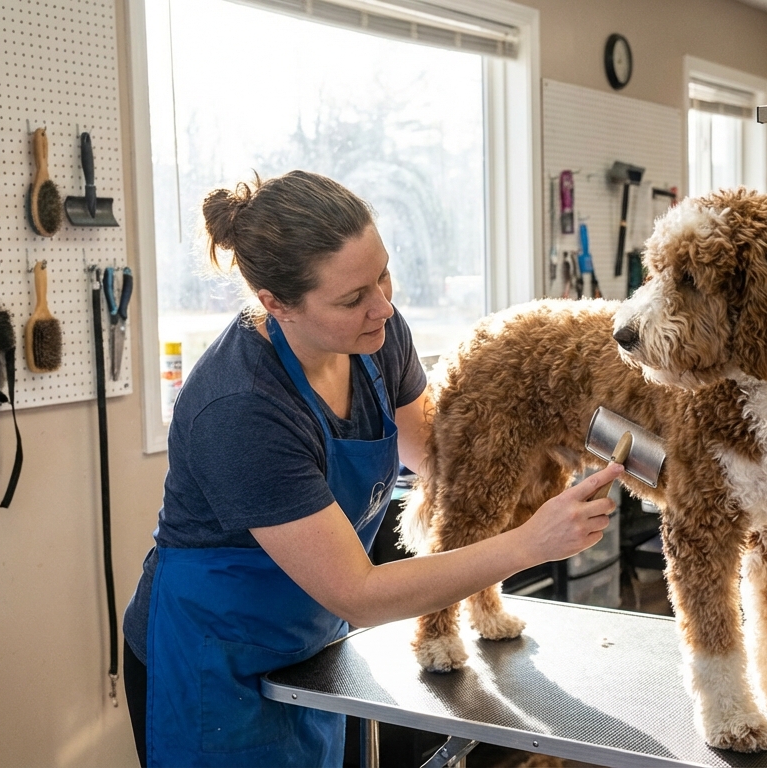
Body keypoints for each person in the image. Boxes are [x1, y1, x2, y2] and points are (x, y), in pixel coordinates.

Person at [121, 170, 623, 767]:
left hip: (313, 650)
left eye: (382, 273)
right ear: (276, 304)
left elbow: (435, 458)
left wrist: (539, 414)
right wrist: (531, 542)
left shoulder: (377, 336)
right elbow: (358, 593)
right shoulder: (242, 408)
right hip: (213, 660)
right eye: (352, 297)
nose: (382, 305)